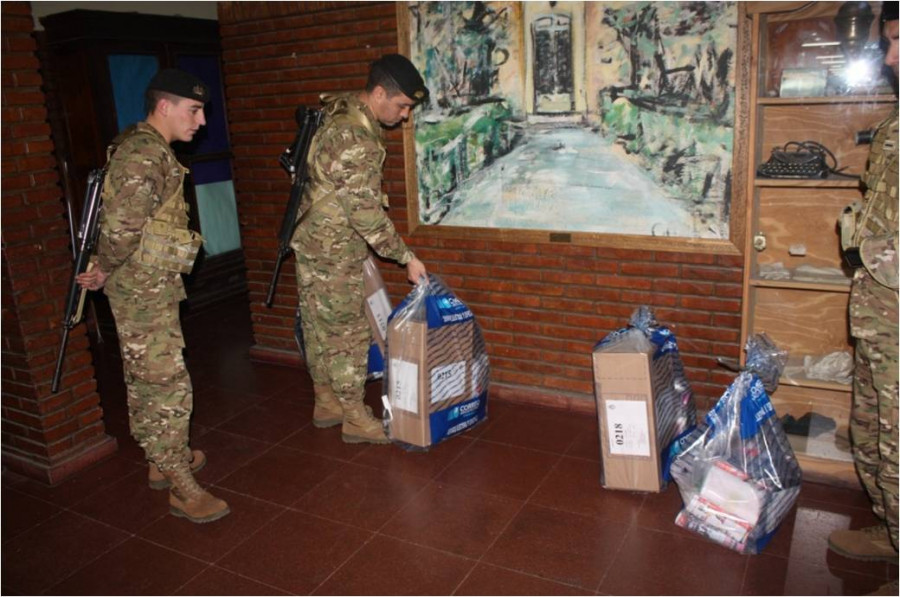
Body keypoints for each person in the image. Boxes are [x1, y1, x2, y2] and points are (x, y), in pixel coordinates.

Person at [75, 69, 229, 523]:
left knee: (149, 377)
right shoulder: (143, 153)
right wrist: (102, 266)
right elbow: (122, 228)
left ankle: (162, 460)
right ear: (165, 106)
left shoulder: (148, 148)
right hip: (141, 290)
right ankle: (181, 485)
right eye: (194, 110)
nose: (200, 122)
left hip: (148, 287)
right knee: (165, 383)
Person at [291, 54, 428, 444]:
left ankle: (326, 401)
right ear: (379, 92)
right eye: (401, 105)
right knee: (346, 333)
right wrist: (406, 256)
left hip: (313, 240)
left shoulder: (343, 109)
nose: (404, 116)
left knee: (318, 328)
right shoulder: (356, 137)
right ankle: (353, 415)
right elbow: (366, 214)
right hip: (333, 249)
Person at [828, 4, 898, 594]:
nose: (890, 58)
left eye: (899, 41)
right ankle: (891, 530)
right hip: (880, 314)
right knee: (875, 432)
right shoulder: (897, 128)